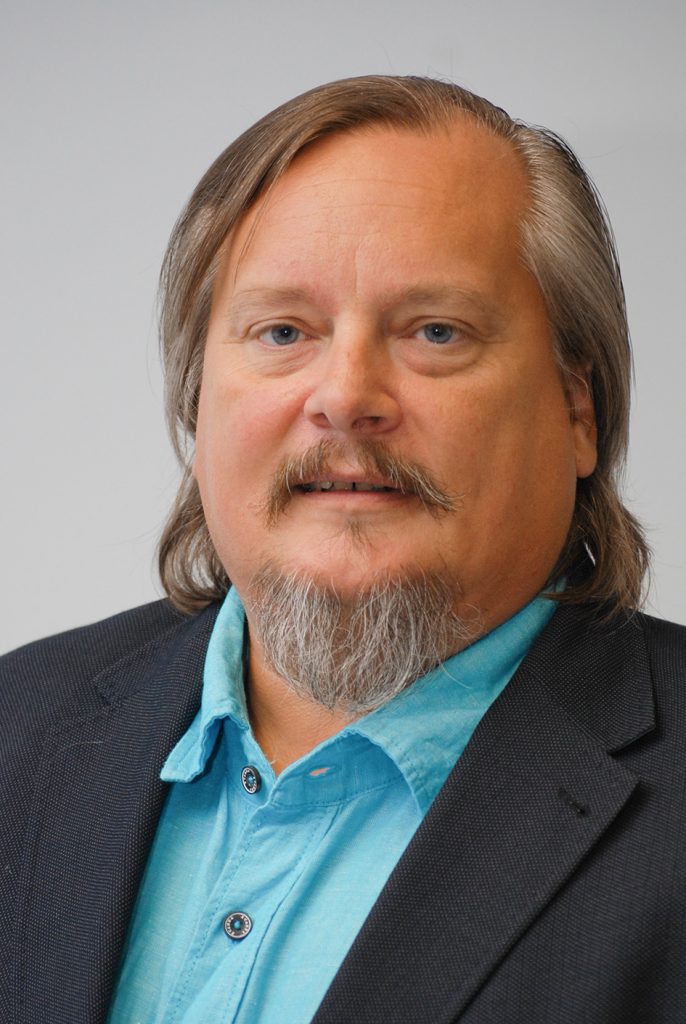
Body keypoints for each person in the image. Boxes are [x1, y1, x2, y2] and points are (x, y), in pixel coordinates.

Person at [1, 75, 684, 1024]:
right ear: (198, 402)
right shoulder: (18, 725)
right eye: (283, 331)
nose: (346, 396)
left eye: (435, 331)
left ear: (579, 408)